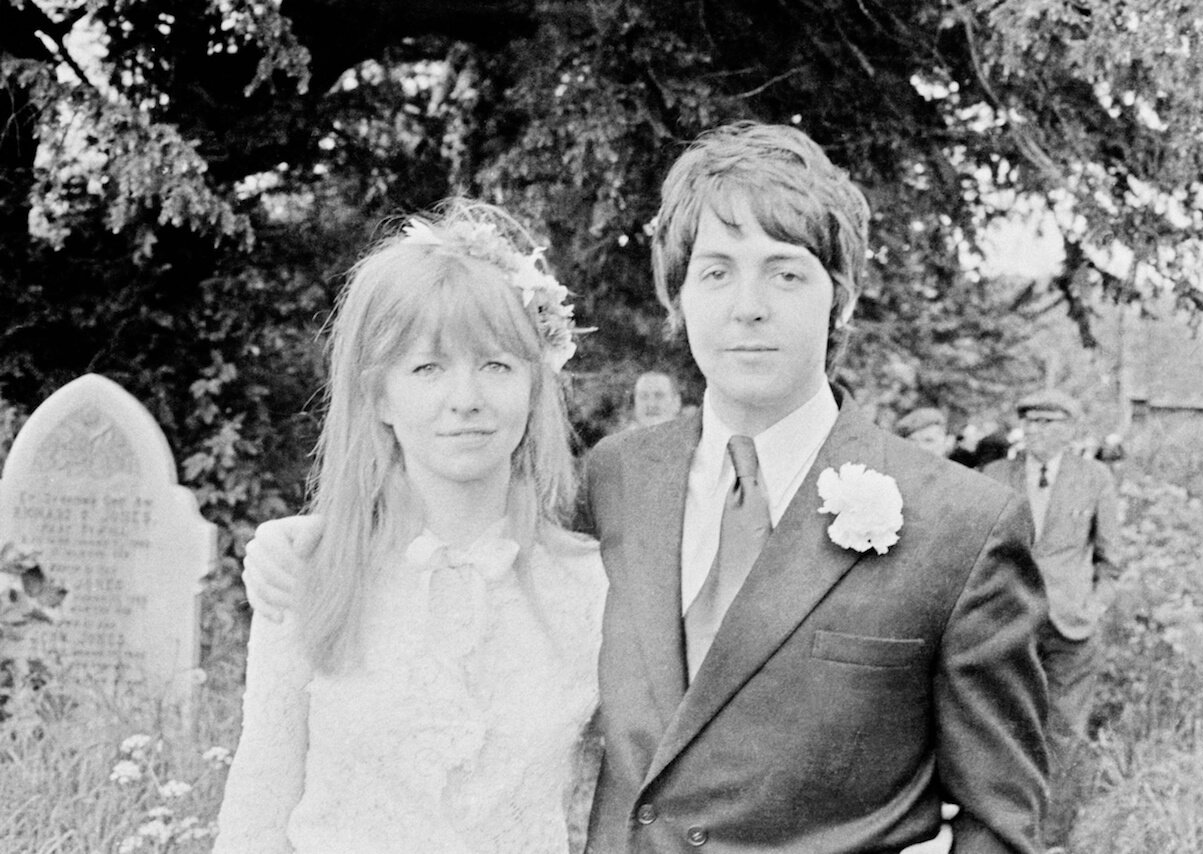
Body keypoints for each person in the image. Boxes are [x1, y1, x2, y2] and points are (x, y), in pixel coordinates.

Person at [244, 123, 1048, 853]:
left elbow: (1001, 824)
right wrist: (293, 542)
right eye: (717, 272)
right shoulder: (615, 480)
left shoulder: (962, 527)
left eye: (787, 274)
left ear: (843, 294)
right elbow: (460, 531)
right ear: (678, 294)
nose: (749, 309)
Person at [214, 200, 606, 853]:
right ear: (380, 395)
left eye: (496, 365)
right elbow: (258, 811)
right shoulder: (308, 569)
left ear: (535, 385)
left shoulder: (590, 585)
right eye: (428, 368)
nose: (465, 399)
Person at [981, 388, 1122, 850]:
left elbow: (1110, 559)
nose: (1039, 432)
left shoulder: (1094, 478)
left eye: (1051, 423)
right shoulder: (995, 474)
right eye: (1033, 423)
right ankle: (1002, 833)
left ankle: (1051, 839)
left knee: (1063, 733)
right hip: (1007, 624)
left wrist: (1094, 606)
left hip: (1071, 627)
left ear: (1070, 430)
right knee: (1002, 728)